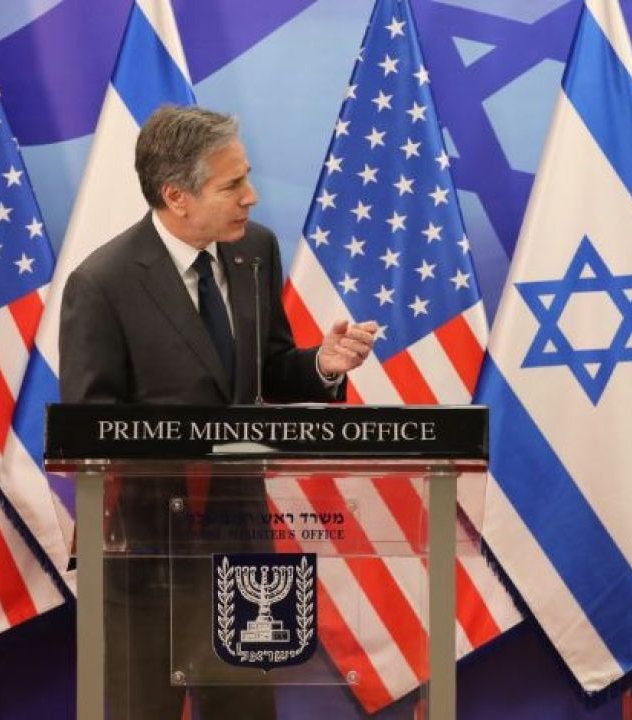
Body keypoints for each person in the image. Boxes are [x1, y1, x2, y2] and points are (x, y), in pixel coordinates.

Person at [59, 104, 377, 719]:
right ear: (176, 196)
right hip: (149, 554)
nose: (251, 196)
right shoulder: (102, 284)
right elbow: (89, 431)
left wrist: (322, 365)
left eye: (246, 177)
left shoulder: (255, 250)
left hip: (243, 546)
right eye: (232, 185)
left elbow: (268, 366)